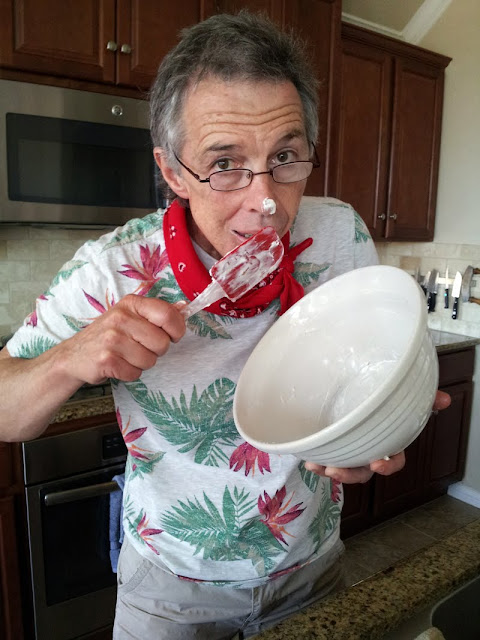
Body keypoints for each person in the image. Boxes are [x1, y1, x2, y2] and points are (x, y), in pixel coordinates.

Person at [0, 11, 449, 640]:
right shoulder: (111, 270)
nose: (264, 201)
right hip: (170, 589)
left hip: (311, 564)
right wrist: (73, 355)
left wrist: (377, 433)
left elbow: (367, 373)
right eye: (224, 163)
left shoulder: (339, 235)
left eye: (284, 157)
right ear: (173, 172)